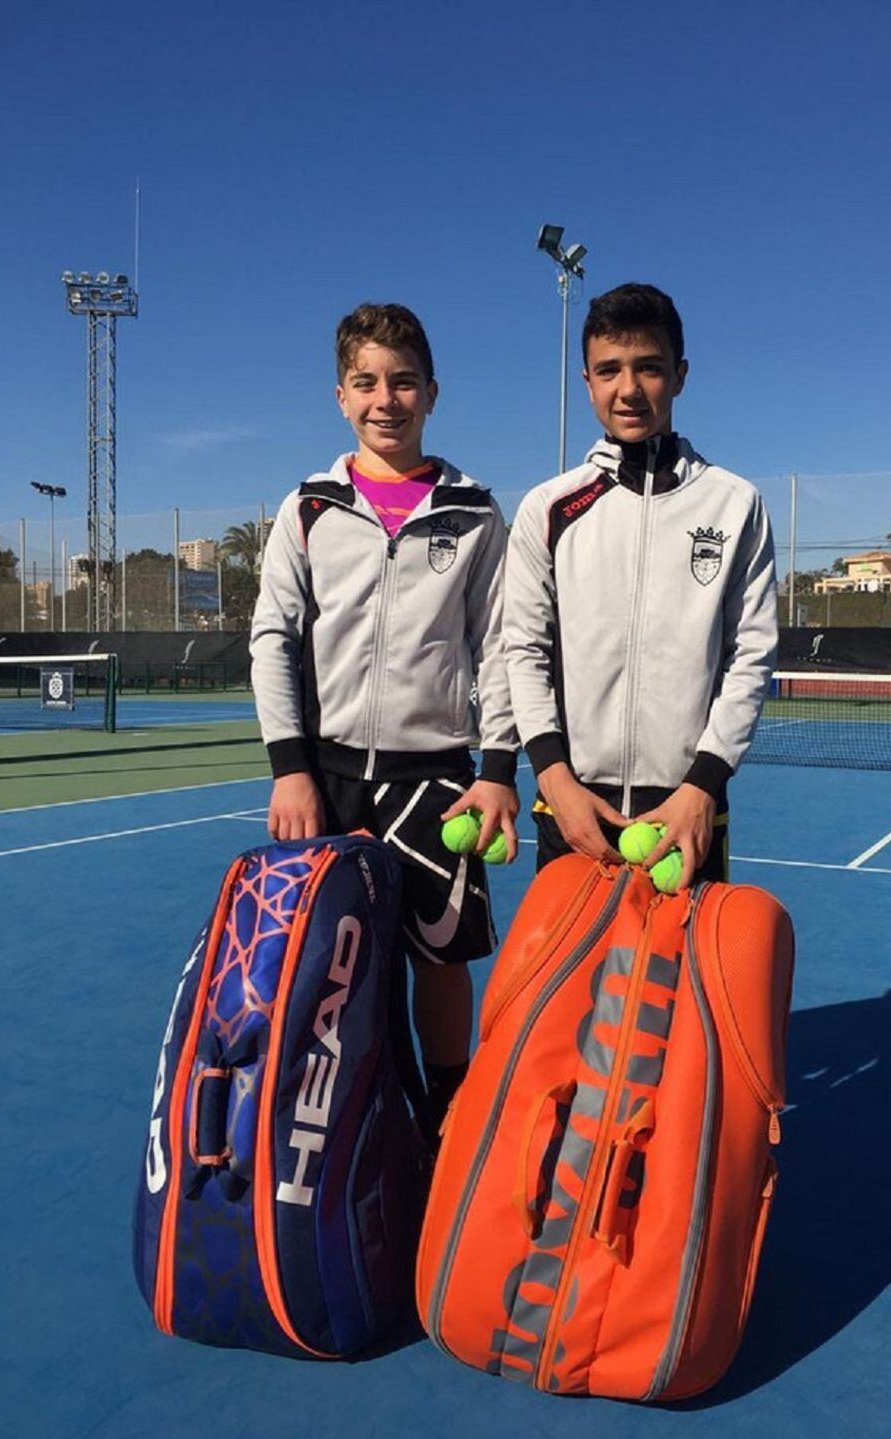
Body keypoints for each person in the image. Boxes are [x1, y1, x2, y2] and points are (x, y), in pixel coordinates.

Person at [250, 301, 519, 1130]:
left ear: (431, 393)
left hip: (435, 780)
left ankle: (446, 1117)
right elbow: (271, 636)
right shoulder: (308, 507)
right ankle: (334, 1122)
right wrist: (291, 768)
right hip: (325, 781)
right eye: (366, 382)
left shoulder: (473, 512)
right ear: (340, 396)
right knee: (321, 962)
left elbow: (504, 645)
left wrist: (501, 773)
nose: (385, 399)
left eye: (403, 382)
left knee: (441, 961)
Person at [503, 282, 777, 889]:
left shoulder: (735, 504)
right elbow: (521, 650)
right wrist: (554, 780)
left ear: (679, 375)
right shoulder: (548, 508)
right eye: (610, 370)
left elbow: (751, 656)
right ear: (588, 382)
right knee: (573, 983)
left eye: (648, 368)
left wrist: (703, 786)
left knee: (676, 985)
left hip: (688, 808)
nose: (628, 389)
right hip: (573, 806)